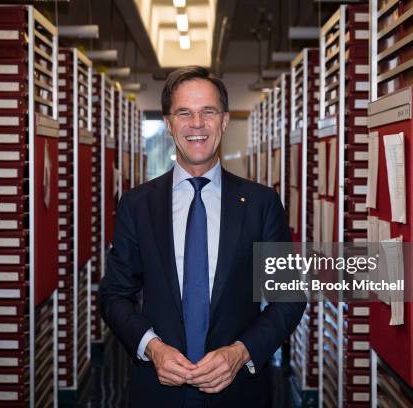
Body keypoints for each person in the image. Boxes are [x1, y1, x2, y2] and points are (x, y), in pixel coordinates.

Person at [98, 66, 306, 408]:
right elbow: (114, 295)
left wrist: (241, 352)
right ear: (168, 124)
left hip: (238, 391)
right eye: (184, 113)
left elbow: (290, 298)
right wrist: (153, 347)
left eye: (207, 112)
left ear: (224, 121)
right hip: (157, 389)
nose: (197, 124)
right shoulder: (137, 204)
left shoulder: (261, 203)